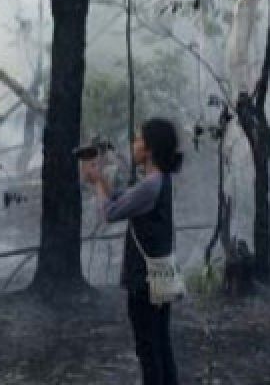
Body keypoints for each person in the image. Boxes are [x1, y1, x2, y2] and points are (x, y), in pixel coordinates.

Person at [80, 118, 183, 385]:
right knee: (161, 344)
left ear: (149, 149)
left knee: (148, 349)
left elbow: (110, 212)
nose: (134, 144)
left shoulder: (150, 185)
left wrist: (94, 182)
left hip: (144, 281)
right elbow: (121, 200)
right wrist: (100, 178)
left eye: (138, 139)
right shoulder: (160, 181)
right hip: (160, 276)